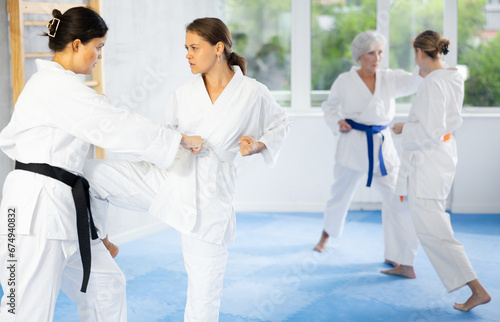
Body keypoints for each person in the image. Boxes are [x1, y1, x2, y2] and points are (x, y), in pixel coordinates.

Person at [0, 7, 202, 322]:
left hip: (64, 211)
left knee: (107, 287)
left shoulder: (65, 88)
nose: (99, 56)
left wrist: (99, 231)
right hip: (30, 215)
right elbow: (113, 125)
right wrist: (174, 140)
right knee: (24, 310)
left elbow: (82, 169)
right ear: (77, 44)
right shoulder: (53, 87)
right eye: (98, 47)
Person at [82, 17, 291, 321]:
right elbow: (165, 137)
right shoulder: (183, 92)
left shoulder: (253, 92)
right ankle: (101, 241)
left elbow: (282, 122)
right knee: (92, 173)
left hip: (210, 199)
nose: (188, 55)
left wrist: (258, 144)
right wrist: (178, 143)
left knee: (203, 294)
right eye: (186, 48)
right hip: (170, 179)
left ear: (218, 48)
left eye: (194, 47)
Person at [381, 30, 491, 312]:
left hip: (428, 161)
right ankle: (405, 263)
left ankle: (476, 289)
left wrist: (404, 128)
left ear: (420, 53)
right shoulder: (452, 77)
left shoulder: (432, 83)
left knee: (434, 229)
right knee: (402, 206)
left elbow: (429, 130)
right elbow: (442, 123)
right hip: (440, 155)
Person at [313, 30, 423, 268]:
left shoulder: (390, 78)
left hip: (381, 147)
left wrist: (418, 52)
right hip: (352, 142)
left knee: (396, 198)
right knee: (339, 193)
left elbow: (415, 81)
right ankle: (326, 235)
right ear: (359, 56)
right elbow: (329, 107)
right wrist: (337, 122)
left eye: (380, 52)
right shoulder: (344, 81)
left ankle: (396, 254)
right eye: (371, 53)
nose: (377, 58)